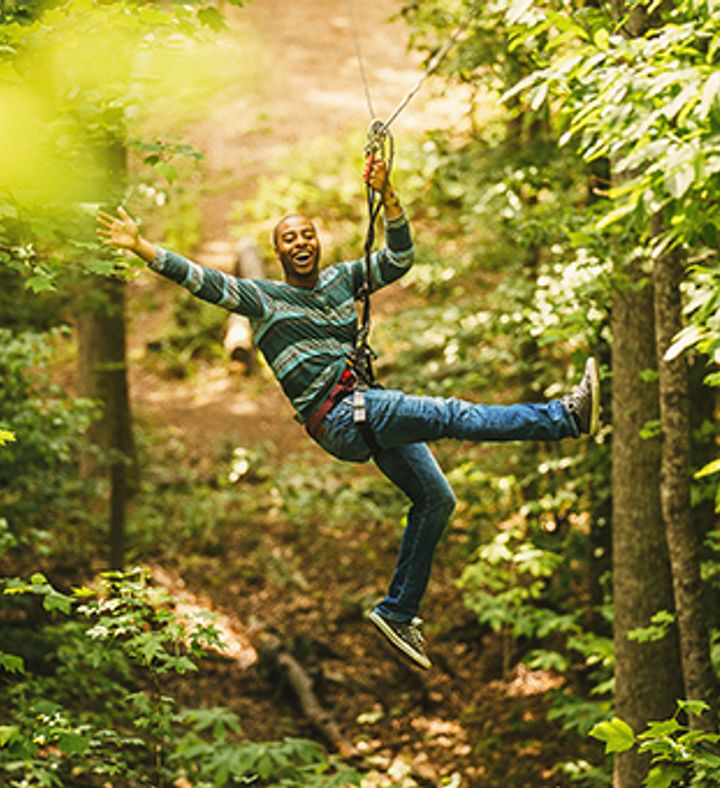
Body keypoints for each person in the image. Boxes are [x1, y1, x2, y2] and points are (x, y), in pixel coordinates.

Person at [96, 160, 599, 670]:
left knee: (436, 498)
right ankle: (565, 418)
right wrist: (144, 249)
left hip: (362, 410)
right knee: (449, 413)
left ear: (318, 242)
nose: (300, 242)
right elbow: (205, 282)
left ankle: (398, 611)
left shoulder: (342, 281)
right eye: (289, 237)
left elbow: (399, 258)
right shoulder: (266, 300)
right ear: (278, 252)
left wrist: (389, 195)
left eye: (307, 234)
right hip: (341, 417)